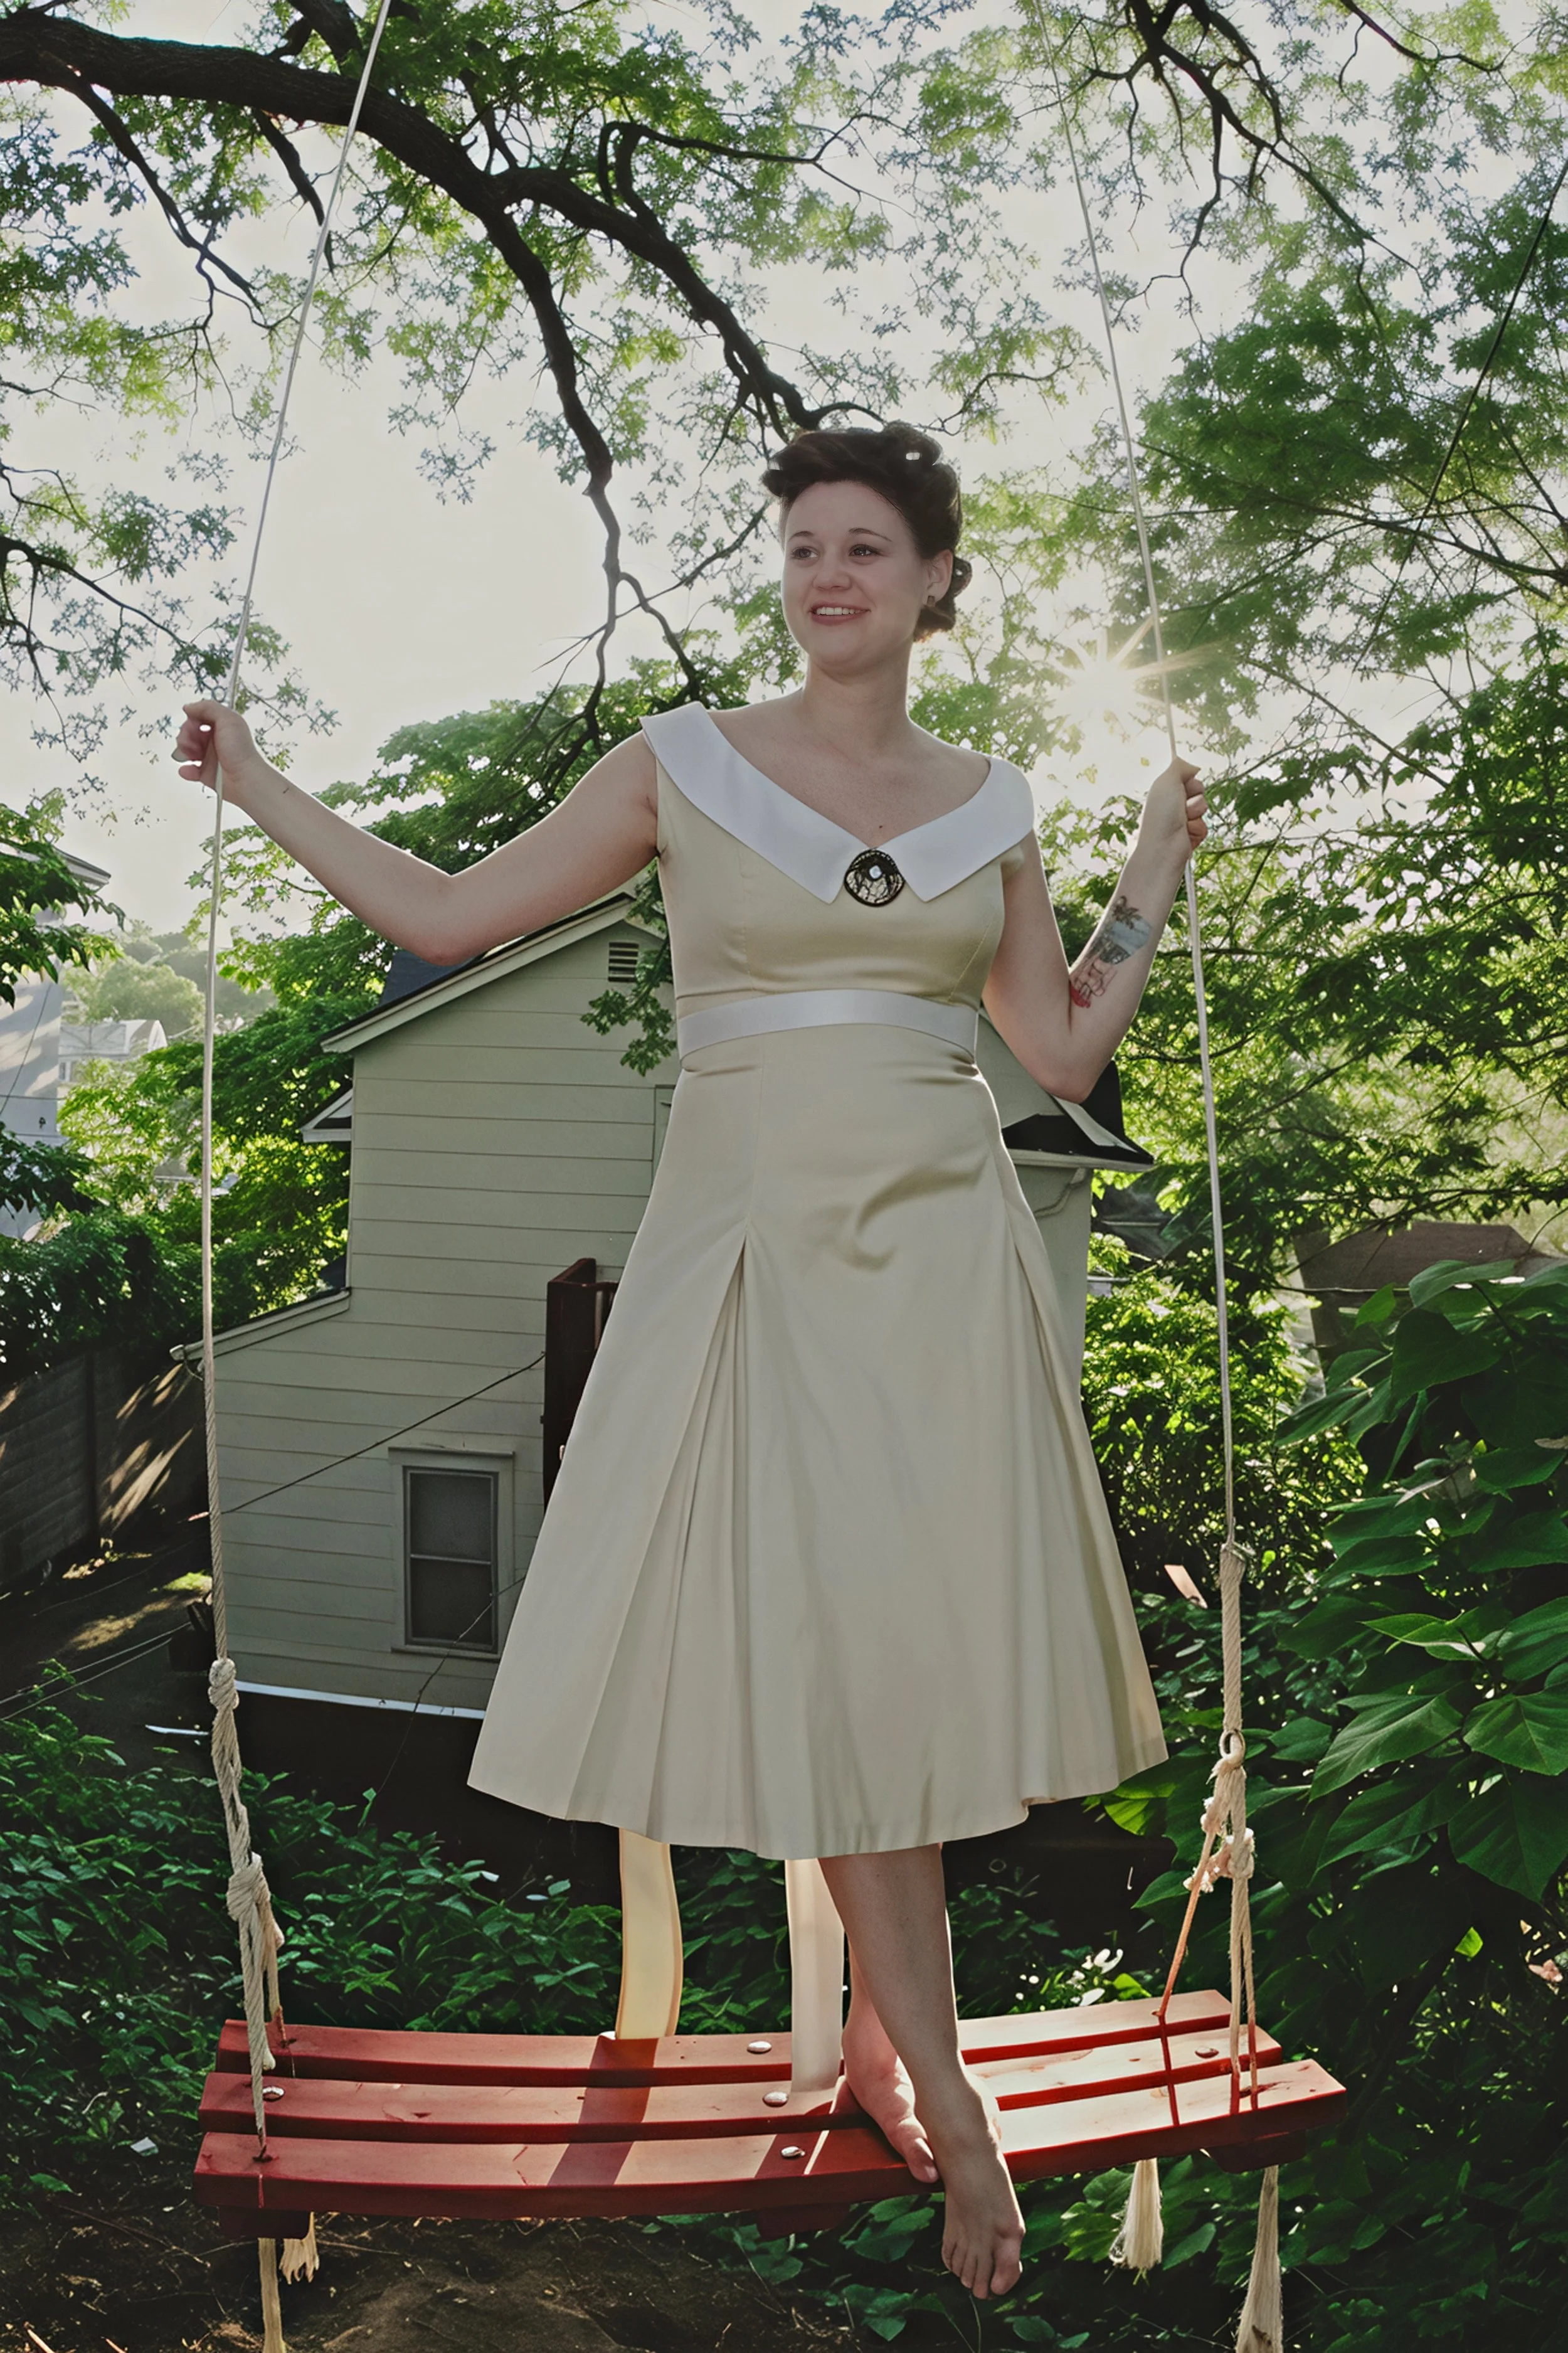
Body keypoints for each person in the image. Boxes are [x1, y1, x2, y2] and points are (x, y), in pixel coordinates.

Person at [175, 421, 1205, 2302]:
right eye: (802, 545)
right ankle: (943, 2093)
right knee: (830, 1652)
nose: (827, 574)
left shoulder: (991, 799)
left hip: (940, 1260)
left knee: (901, 1655)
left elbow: (1055, 1050)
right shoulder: (684, 765)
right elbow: (444, 916)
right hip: (751, 1246)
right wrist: (256, 784)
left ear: (934, 585)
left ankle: (895, 2051)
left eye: (867, 548)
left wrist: (1146, 865)